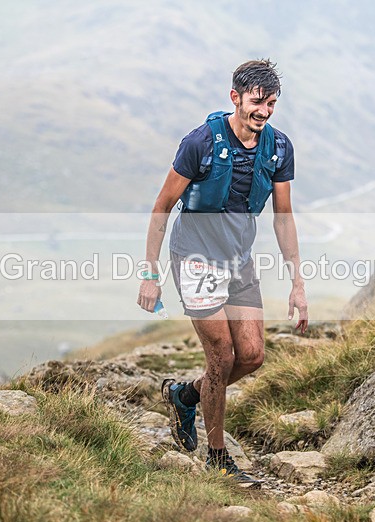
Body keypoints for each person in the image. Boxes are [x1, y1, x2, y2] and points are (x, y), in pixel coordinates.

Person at [137, 59, 308, 485]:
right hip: (194, 258)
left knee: (251, 356)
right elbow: (162, 206)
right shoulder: (200, 144)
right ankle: (217, 458)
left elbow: (283, 217)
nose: (264, 111)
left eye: (271, 103)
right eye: (256, 101)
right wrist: (150, 272)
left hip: (238, 261)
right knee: (222, 357)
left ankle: (185, 395)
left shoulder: (278, 148)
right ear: (235, 98)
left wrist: (297, 284)